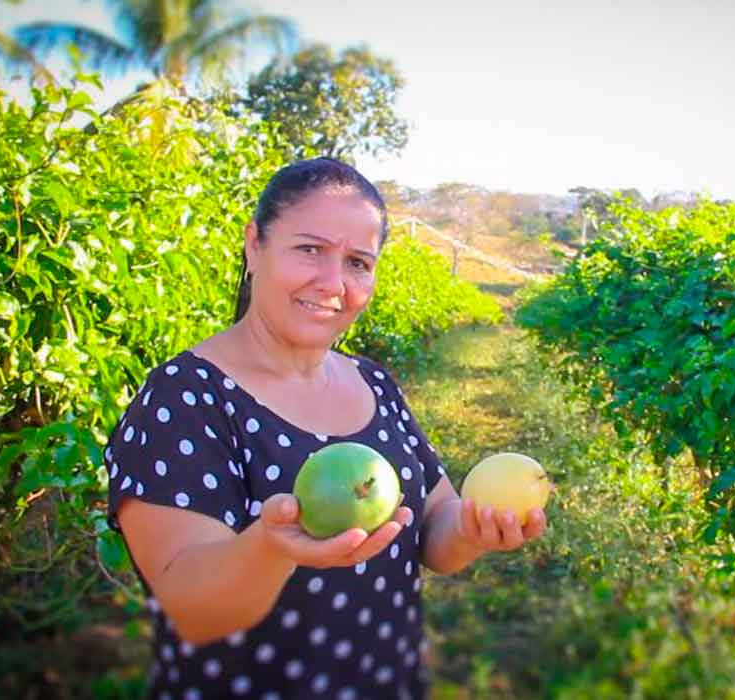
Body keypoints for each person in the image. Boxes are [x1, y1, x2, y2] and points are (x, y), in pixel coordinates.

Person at [103, 157, 548, 700]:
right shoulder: (186, 396)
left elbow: (432, 531)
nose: (333, 282)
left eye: (359, 262)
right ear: (254, 246)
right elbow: (193, 612)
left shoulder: (374, 383)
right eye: (309, 249)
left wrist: (474, 530)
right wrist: (272, 547)